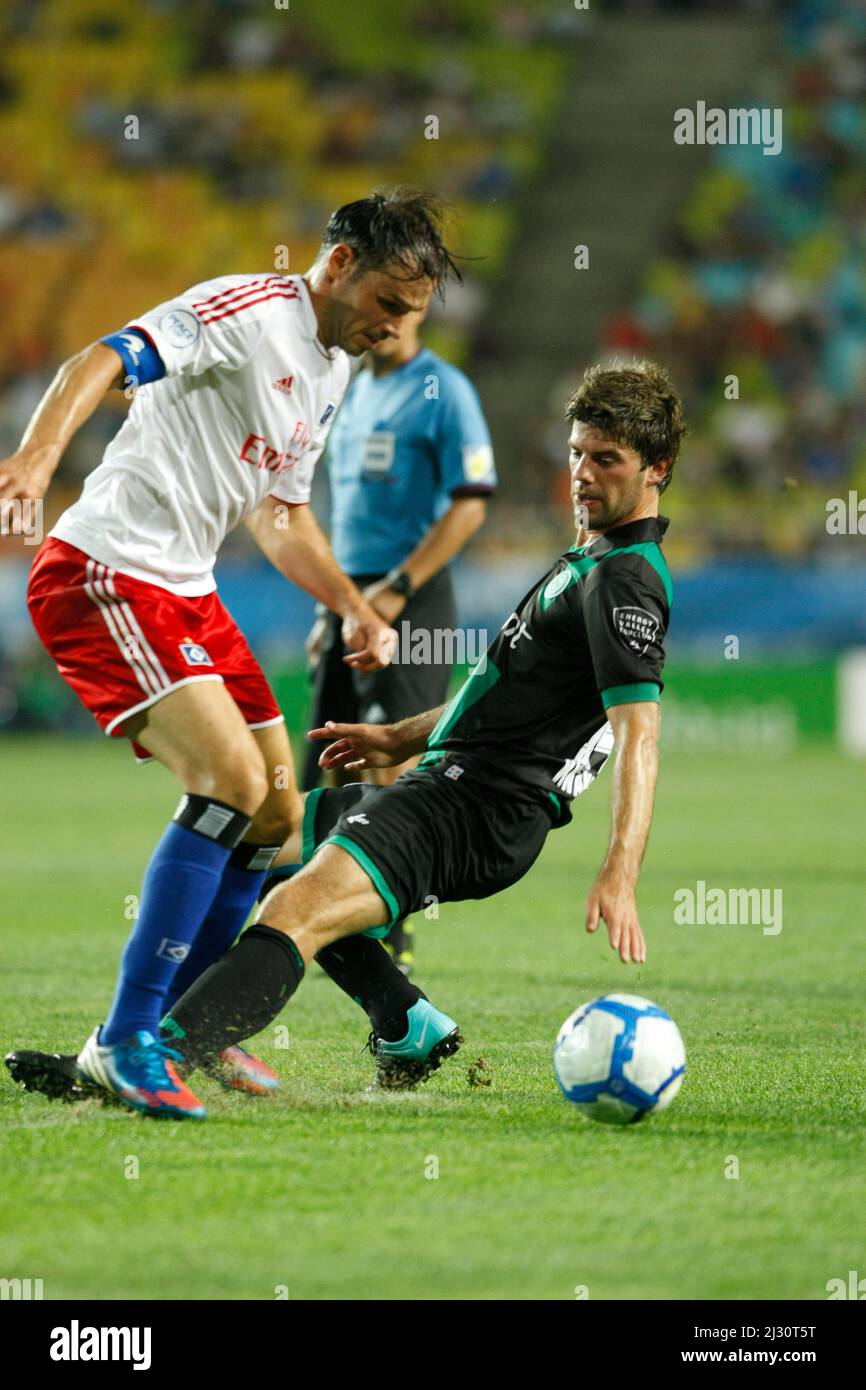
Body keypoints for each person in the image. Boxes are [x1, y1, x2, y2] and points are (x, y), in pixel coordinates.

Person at [0, 189, 460, 1119]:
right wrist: (36, 459)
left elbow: (279, 513)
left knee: (279, 818)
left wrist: (352, 606)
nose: (395, 329)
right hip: (107, 570)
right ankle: (128, 1041)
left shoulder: (330, 370)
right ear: (338, 265)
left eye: (411, 316)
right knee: (226, 783)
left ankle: (183, 1031)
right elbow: (104, 355)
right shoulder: (245, 312)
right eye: (389, 305)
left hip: (188, 590)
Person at [303, 301, 497, 974]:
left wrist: (399, 589)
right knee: (330, 750)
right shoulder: (351, 391)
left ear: (419, 312)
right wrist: (335, 606)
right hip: (349, 597)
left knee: (391, 758)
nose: (383, 320)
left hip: (413, 602)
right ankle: (325, 918)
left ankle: (392, 930)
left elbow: (471, 501)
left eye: (400, 307)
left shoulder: (446, 392)